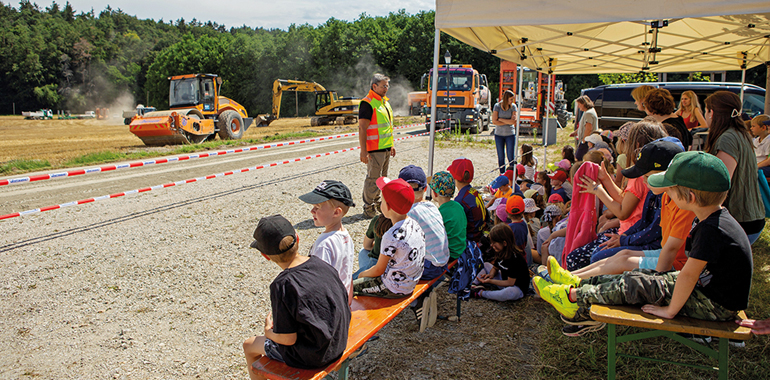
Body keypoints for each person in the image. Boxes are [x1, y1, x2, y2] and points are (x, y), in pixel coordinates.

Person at [535, 151, 753, 329]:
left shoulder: (711, 230)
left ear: (690, 197)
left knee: (635, 284)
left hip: (713, 305)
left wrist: (669, 310)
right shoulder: (715, 219)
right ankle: (577, 284)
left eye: (672, 190)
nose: (667, 193)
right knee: (637, 276)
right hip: (705, 291)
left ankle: (573, 299)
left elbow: (688, 275)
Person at [243, 215, 350, 376]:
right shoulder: (320, 264)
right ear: (297, 239)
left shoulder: (282, 285)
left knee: (249, 345)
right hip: (339, 341)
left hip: (313, 357)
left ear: (265, 256)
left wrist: (269, 332)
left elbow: (288, 339)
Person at [570, 139, 690, 278]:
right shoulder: (662, 196)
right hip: (653, 248)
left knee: (610, 258)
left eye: (647, 176)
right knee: (620, 256)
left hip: (667, 258)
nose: (644, 181)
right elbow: (645, 222)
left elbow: (658, 236)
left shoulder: (680, 204)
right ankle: (568, 278)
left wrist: (657, 284)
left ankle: (572, 286)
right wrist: (624, 237)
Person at [704, 91, 766, 243]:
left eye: (705, 111)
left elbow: (721, 183)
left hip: (741, 220)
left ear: (712, 112)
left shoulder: (728, 138)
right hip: (749, 217)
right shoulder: (740, 133)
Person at [354, 177, 425, 299]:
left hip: (393, 288)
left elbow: (378, 270)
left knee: (351, 286)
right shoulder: (414, 224)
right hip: (411, 282)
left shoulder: (391, 235)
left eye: (382, 201)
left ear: (388, 207)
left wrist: (362, 274)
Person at [298, 180, 356, 304]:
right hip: (342, 301)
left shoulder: (324, 245)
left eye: (317, 207)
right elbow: (347, 271)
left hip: (331, 306)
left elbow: (319, 283)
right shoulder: (346, 236)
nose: (312, 211)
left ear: (336, 212)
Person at [398, 165, 450, 280]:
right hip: (443, 262)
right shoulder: (431, 206)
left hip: (430, 267)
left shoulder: (410, 213)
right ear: (426, 188)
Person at [359, 73, 396, 218]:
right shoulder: (368, 103)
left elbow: (388, 127)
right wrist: (364, 151)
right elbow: (362, 128)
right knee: (373, 179)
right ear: (374, 86)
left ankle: (377, 203)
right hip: (374, 149)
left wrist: (391, 145)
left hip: (385, 148)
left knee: (382, 179)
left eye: (387, 85)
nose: (386, 88)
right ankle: (368, 208)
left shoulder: (384, 102)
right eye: (383, 86)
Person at [471, 224, 530, 302]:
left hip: (515, 287)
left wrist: (490, 281)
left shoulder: (515, 258)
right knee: (485, 265)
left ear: (504, 243)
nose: (492, 246)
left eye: (494, 244)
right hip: (503, 280)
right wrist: (490, 275)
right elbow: (495, 267)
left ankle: (481, 293)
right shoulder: (500, 252)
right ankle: (474, 283)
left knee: (509, 293)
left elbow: (510, 283)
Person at [448, 157, 489, 243]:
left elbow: (457, 227)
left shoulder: (460, 200)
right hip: (480, 234)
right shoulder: (473, 192)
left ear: (453, 176)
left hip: (471, 240)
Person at [429, 171, 468, 260]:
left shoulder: (439, 213)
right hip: (461, 249)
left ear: (435, 193)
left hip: (450, 254)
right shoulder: (458, 206)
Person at [354, 213, 392, 280]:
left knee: (363, 252)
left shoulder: (379, 220)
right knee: (363, 252)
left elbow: (367, 246)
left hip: (378, 267)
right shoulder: (410, 223)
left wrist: (361, 274)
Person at [492, 90, 518, 173]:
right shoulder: (497, 106)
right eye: (511, 99)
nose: (512, 101)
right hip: (499, 135)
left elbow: (514, 121)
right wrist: (508, 121)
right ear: (506, 99)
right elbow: (494, 121)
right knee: (501, 156)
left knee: (511, 156)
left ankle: (512, 173)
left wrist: (500, 119)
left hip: (510, 134)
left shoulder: (513, 107)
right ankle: (502, 173)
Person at [570, 95, 598, 161]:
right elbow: (583, 126)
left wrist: (583, 141)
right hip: (587, 141)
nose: (578, 106)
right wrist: (576, 132)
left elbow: (588, 129)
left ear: (584, 104)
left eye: (579, 104)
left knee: (578, 159)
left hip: (587, 142)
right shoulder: (587, 112)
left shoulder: (588, 113)